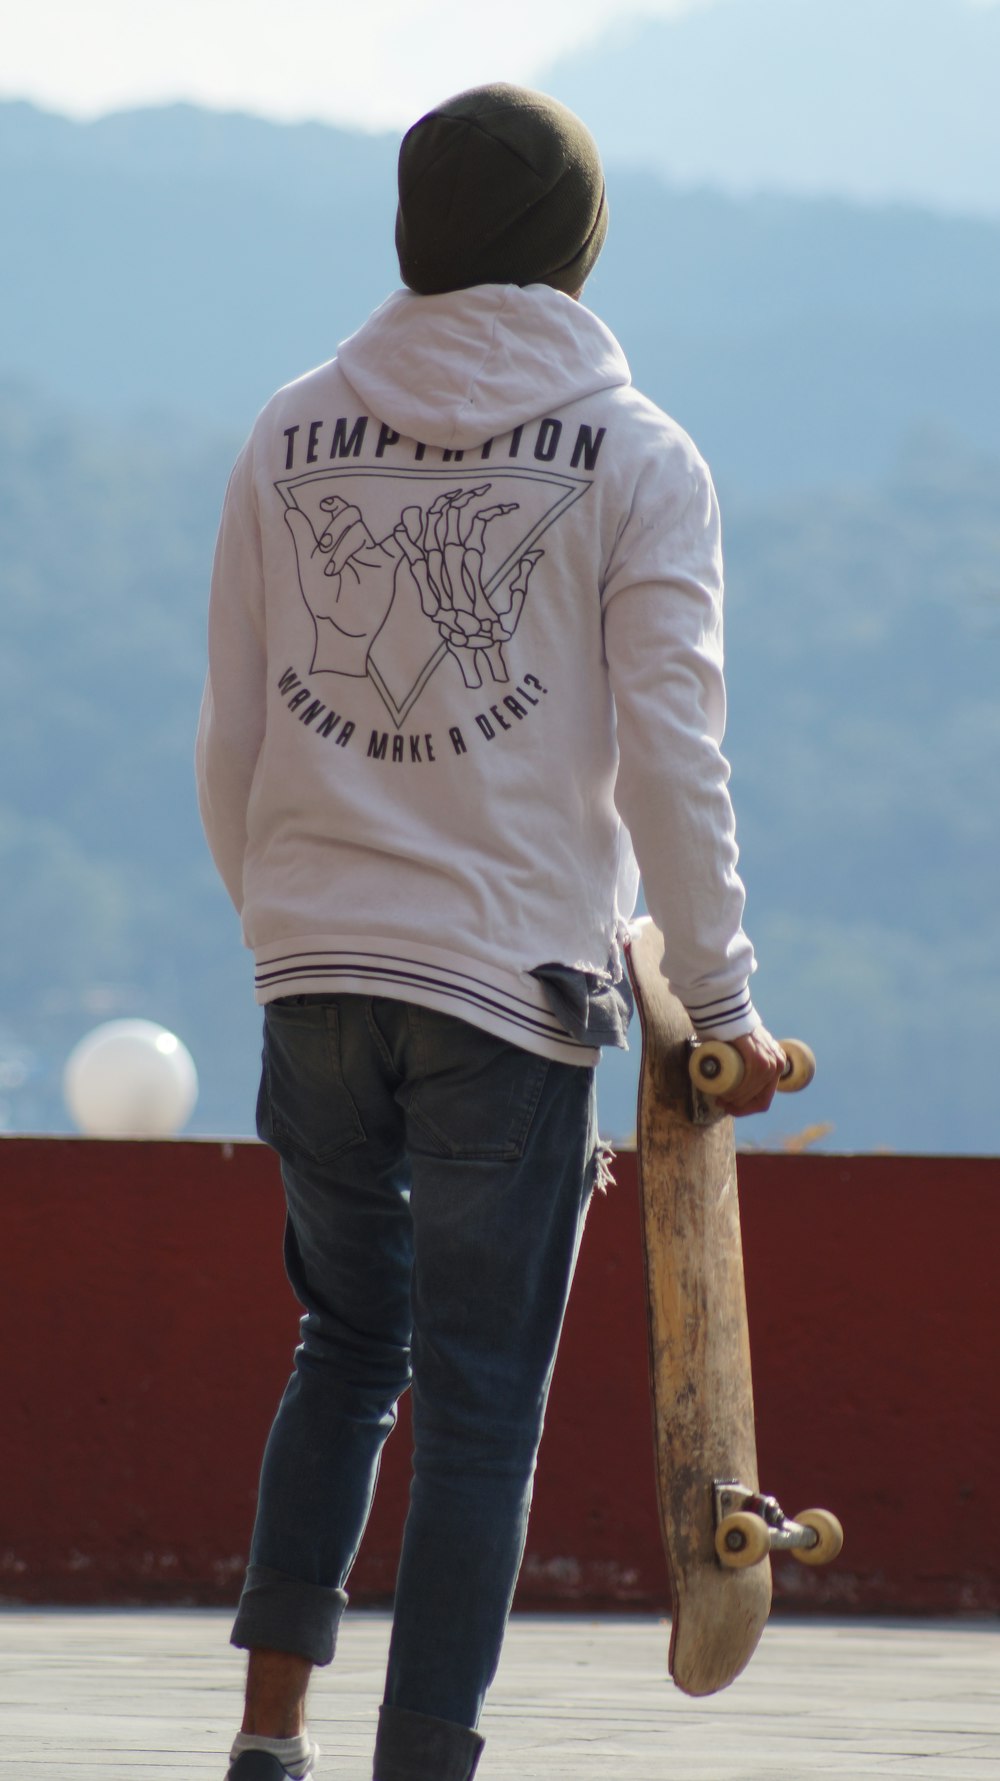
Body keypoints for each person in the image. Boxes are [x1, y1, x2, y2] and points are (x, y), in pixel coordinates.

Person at [196, 80, 784, 1781]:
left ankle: (266, 1740)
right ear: (577, 244)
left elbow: (232, 738)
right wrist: (724, 994)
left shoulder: (287, 429)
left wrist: (292, 922)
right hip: (511, 988)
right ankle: (423, 1763)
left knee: (342, 1345)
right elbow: (675, 751)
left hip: (309, 964)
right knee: (476, 1407)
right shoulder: (641, 456)